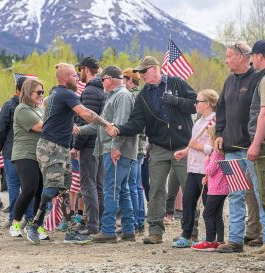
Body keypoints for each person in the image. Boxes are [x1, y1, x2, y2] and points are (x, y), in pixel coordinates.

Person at [106, 56, 197, 244]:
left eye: (143, 71)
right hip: (158, 147)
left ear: (155, 69)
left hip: (184, 146)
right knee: (155, 190)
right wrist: (119, 129)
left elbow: (195, 105)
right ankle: (155, 231)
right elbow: (137, 122)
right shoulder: (143, 95)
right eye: (139, 72)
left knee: (189, 189)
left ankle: (191, 229)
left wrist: (175, 100)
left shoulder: (177, 83)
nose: (141, 75)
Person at [35, 63, 110, 244]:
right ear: (66, 78)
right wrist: (106, 124)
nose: (78, 78)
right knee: (53, 187)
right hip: (51, 148)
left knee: (64, 189)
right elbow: (86, 114)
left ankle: (70, 232)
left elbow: (58, 117)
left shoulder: (55, 95)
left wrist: (70, 127)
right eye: (74, 76)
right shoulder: (66, 93)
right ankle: (34, 224)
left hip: (60, 147)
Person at [76, 65, 138, 243]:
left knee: (111, 189)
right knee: (123, 190)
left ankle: (108, 230)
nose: (101, 82)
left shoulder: (122, 96)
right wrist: (78, 130)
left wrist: (115, 147)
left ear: (109, 79)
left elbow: (120, 124)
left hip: (117, 151)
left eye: (102, 79)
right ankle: (128, 230)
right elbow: (101, 125)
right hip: (114, 150)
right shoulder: (113, 96)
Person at [214, 41, 262, 253]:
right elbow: (221, 109)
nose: (226, 60)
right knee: (235, 194)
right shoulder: (228, 81)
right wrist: (218, 133)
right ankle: (234, 240)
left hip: (253, 149)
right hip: (231, 149)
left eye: (229, 56)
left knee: (261, 194)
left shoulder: (258, 78)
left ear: (242, 57)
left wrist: (256, 143)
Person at [172, 89, 218, 248]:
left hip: (206, 170)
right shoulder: (198, 121)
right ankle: (187, 234)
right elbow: (192, 144)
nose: (195, 104)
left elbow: (215, 149)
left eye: (198, 101)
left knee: (208, 204)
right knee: (188, 201)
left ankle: (213, 236)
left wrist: (198, 146)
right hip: (192, 168)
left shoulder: (215, 122)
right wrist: (186, 151)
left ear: (207, 104)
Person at [8, 78, 48, 243]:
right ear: (27, 92)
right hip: (25, 154)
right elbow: (41, 127)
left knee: (42, 193)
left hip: (41, 155)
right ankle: (16, 223)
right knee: (30, 189)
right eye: (38, 92)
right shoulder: (22, 109)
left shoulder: (39, 108)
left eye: (42, 92)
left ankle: (37, 225)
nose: (41, 95)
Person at [71, 56, 106, 235]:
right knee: (98, 185)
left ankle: (92, 225)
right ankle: (99, 223)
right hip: (100, 144)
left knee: (88, 185)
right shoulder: (102, 90)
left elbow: (85, 120)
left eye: (80, 70)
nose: (79, 74)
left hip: (90, 144)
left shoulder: (90, 91)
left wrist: (76, 145)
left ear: (85, 69)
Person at [0, 77, 33, 228]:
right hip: (29, 152)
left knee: (14, 186)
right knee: (29, 187)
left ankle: (13, 218)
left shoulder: (9, 105)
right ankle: (29, 218)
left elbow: (0, 129)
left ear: (16, 89)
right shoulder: (32, 106)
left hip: (11, 151)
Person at [191, 126, 229, 251]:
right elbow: (220, 172)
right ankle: (220, 240)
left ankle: (209, 241)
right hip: (222, 189)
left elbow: (210, 170)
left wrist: (206, 161)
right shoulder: (223, 153)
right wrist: (206, 177)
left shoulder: (215, 154)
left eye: (209, 137)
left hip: (216, 190)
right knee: (217, 215)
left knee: (207, 214)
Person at [122, 67, 146, 234]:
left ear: (130, 80)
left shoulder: (131, 97)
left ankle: (135, 222)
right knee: (137, 186)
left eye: (124, 80)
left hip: (134, 145)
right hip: (143, 145)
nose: (123, 83)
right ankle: (140, 221)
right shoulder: (142, 96)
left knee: (131, 185)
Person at [247, 40, 265, 255]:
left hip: (263, 146)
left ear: (259, 56)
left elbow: (263, 113)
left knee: (264, 191)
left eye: (253, 56)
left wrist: (255, 143)